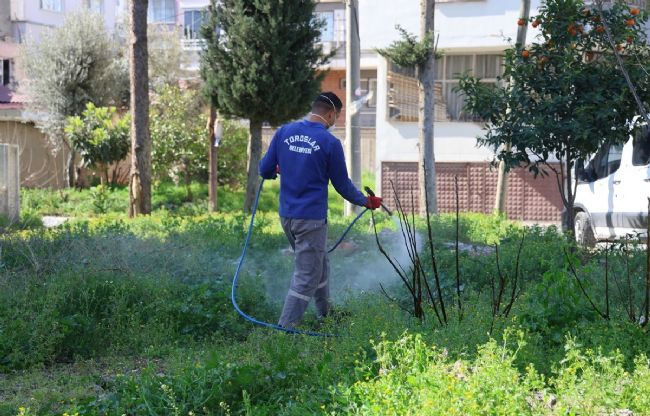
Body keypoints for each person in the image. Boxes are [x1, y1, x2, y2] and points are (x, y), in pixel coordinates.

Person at [259, 91, 383, 329]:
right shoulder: (330, 143)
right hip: (311, 221)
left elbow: (264, 169)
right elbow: (342, 185)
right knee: (307, 276)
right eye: (337, 117)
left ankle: (325, 314)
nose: (335, 121)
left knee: (320, 264)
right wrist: (366, 201)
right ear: (330, 114)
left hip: (287, 216)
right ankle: (285, 329)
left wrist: (277, 169)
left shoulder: (284, 132)